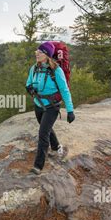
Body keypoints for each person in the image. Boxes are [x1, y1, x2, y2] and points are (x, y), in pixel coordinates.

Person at [25, 41, 75, 175]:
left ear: (47, 55)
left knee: (42, 134)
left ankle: (38, 166)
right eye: (36, 51)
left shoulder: (57, 71)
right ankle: (56, 146)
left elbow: (65, 91)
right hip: (38, 104)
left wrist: (70, 110)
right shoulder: (34, 68)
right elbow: (29, 82)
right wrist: (29, 87)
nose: (36, 53)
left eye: (39, 52)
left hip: (52, 107)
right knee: (45, 127)